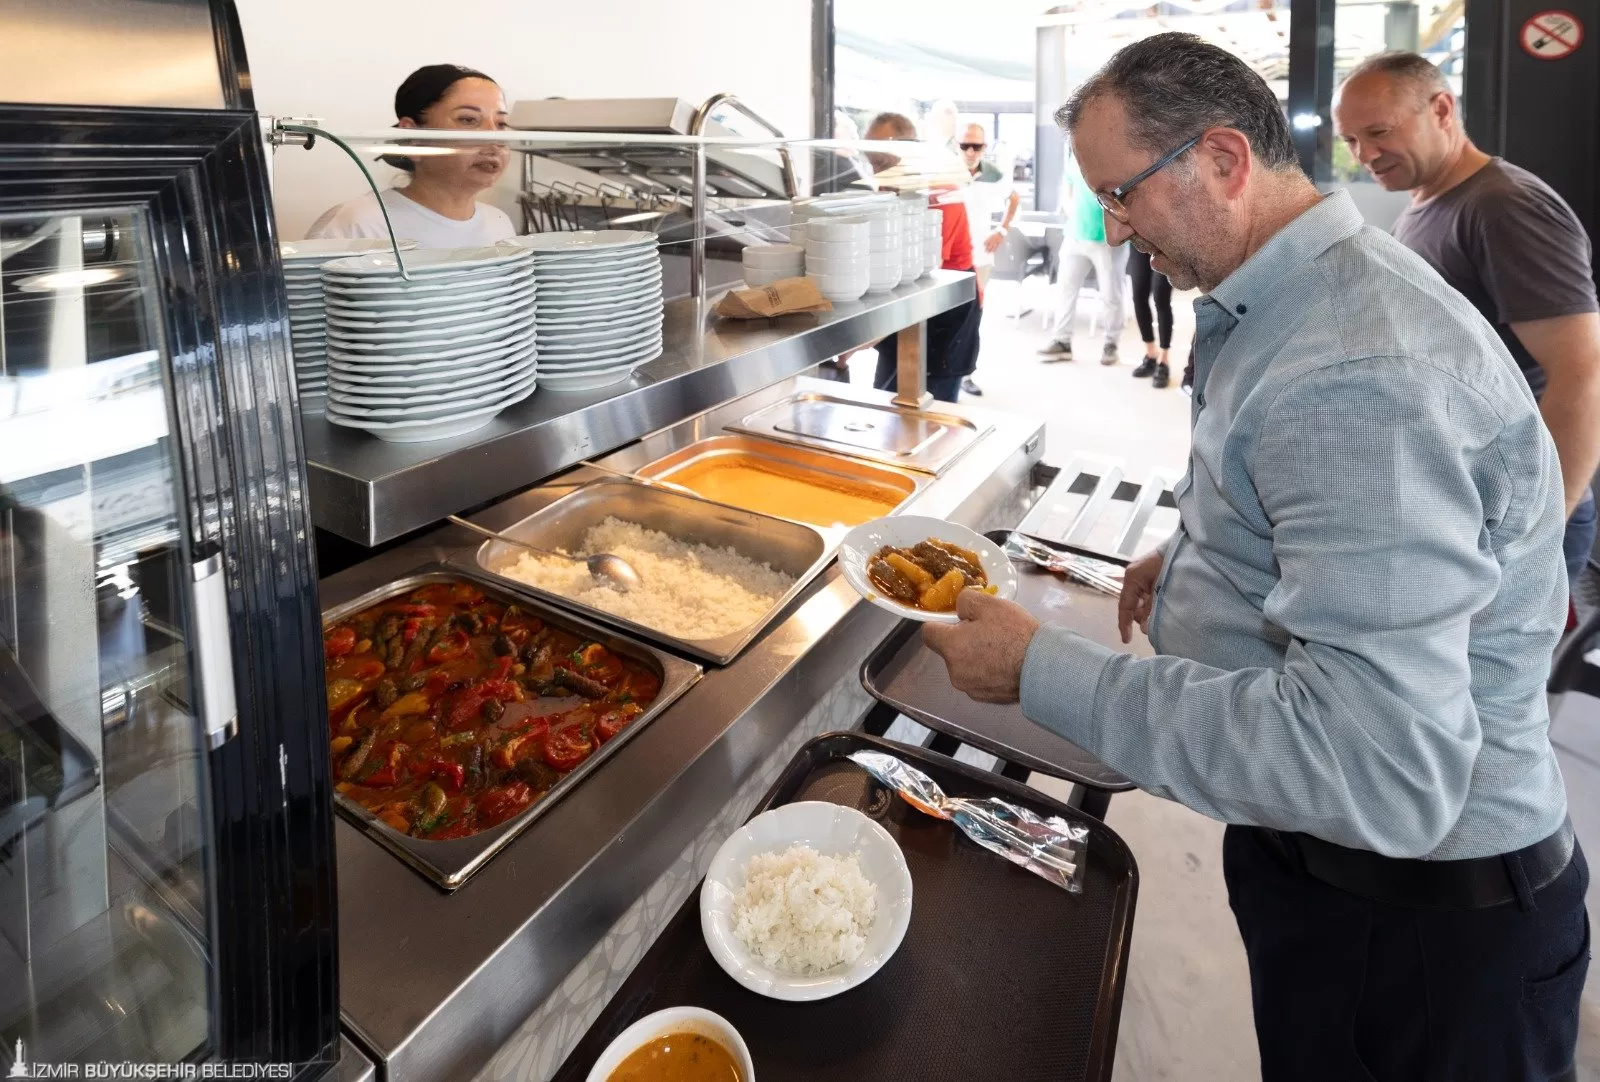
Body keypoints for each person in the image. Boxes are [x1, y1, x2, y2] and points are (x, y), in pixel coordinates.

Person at [925, 33, 1585, 1082]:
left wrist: (1035, 669)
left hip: (1414, 927)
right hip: (1337, 872)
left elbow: (1376, 765)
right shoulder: (1301, 295)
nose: (1117, 223)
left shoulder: (1354, 370)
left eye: (1125, 193)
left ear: (1225, 161)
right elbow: (1300, 500)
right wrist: (1197, 556)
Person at [1334, 53, 1600, 590]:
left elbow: (1583, 370)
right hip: (1465, 506)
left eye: (1379, 131)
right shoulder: (1428, 204)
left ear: (1442, 109)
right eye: (1352, 140)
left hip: (1509, 518)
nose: (1366, 154)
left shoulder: (1504, 207)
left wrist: (1535, 531)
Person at [307, 64, 517, 247]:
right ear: (413, 137)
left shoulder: (499, 224)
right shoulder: (357, 224)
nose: (495, 139)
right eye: (468, 120)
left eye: (501, 124)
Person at [861, 112, 980, 404]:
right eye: (871, 161)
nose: (876, 172)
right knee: (887, 405)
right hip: (904, 309)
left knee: (935, 416)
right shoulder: (888, 186)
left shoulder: (941, 192)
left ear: (907, 151)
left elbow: (925, 270)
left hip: (946, 310)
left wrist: (867, 334)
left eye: (881, 161)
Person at [1037, 151, 1128, 365]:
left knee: (1110, 294)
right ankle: (1062, 342)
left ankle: (1111, 342)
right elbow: (1067, 185)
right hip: (1075, 235)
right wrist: (1069, 209)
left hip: (1106, 239)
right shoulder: (1076, 154)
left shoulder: (1117, 153)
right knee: (1065, 290)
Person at [957, 121, 1020, 397]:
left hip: (980, 257)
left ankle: (966, 373)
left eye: (977, 146)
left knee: (973, 317)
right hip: (948, 257)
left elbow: (1014, 199)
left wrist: (1002, 229)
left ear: (984, 147)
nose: (971, 151)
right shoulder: (947, 170)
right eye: (965, 145)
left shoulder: (994, 174)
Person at [1126, 247, 1174, 387]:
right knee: (1139, 296)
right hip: (1138, 241)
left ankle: (1163, 361)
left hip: (1165, 242)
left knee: (1161, 297)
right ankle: (1151, 354)